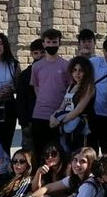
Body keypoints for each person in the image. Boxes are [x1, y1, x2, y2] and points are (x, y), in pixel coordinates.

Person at [30, 28, 69, 157]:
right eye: (49, 42)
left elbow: (70, 90)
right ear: (43, 44)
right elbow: (36, 88)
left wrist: (61, 111)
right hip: (39, 115)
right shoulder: (36, 66)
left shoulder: (66, 65)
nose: (51, 45)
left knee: (57, 153)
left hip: (59, 116)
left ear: (59, 43)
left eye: (54, 42)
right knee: (39, 152)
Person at [49, 56, 94, 153]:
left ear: (86, 72)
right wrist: (53, 116)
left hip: (79, 128)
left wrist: (61, 121)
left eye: (81, 70)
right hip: (66, 125)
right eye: (74, 70)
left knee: (79, 154)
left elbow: (79, 110)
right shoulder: (71, 86)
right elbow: (62, 106)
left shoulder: (89, 87)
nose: (77, 73)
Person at [87, 37, 107, 156]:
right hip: (93, 110)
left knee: (106, 144)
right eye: (106, 50)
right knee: (92, 143)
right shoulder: (95, 62)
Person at [15, 39, 45, 152]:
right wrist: (24, 123)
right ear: (32, 54)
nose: (39, 56)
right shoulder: (26, 75)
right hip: (31, 120)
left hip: (49, 119)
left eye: (42, 52)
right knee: (30, 154)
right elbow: (20, 100)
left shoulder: (54, 71)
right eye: (36, 53)